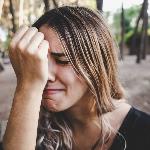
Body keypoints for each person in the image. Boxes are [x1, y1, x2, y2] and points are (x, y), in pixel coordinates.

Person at [2, 6, 150, 150]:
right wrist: (27, 88)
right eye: (39, 61)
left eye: (63, 61)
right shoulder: (30, 127)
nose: (44, 75)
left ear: (97, 64)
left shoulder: (144, 132)